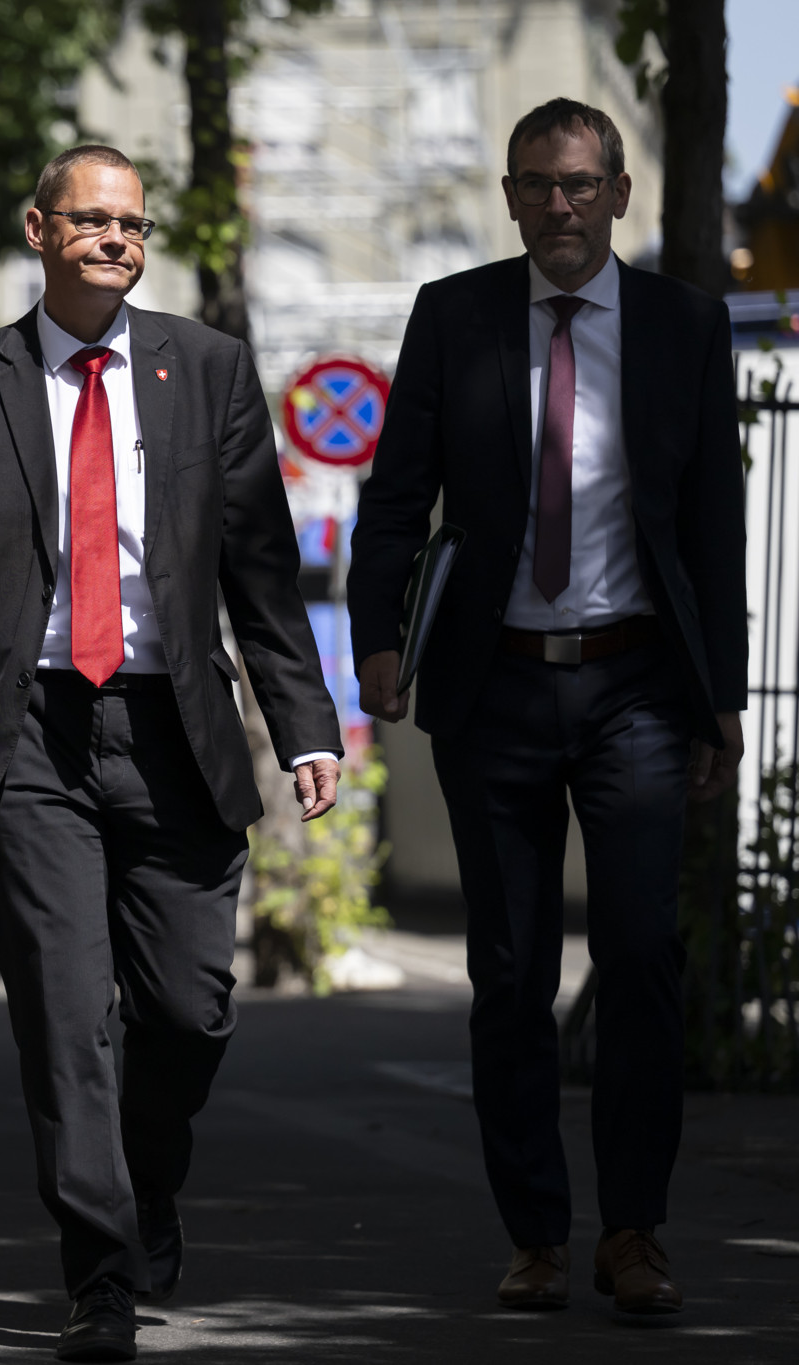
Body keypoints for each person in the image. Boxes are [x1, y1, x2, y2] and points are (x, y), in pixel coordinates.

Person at [0, 145, 344, 1362]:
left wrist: (302, 723)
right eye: (91, 221)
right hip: (26, 735)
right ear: (37, 230)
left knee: (187, 1011)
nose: (115, 241)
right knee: (65, 1018)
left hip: (172, 731)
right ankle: (99, 1274)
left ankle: (144, 1188)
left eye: (132, 226)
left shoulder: (206, 370)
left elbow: (260, 572)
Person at [349, 98, 744, 1317]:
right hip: (496, 685)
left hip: (636, 687)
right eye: (534, 184)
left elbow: (712, 525)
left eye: (577, 184)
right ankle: (534, 1236)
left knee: (638, 956)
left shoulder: (682, 325)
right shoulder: (453, 315)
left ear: (617, 194)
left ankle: (632, 1231)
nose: (557, 205)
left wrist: (719, 698)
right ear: (509, 199)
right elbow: (395, 494)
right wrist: (376, 639)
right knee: (510, 971)